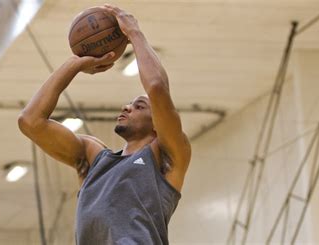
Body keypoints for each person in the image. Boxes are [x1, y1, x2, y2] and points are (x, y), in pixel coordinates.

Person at [18, 4, 191, 244]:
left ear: (157, 125)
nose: (127, 107)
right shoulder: (93, 158)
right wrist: (75, 64)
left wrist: (134, 34)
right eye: (129, 103)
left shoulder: (166, 156)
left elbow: (156, 88)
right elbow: (30, 121)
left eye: (139, 106)